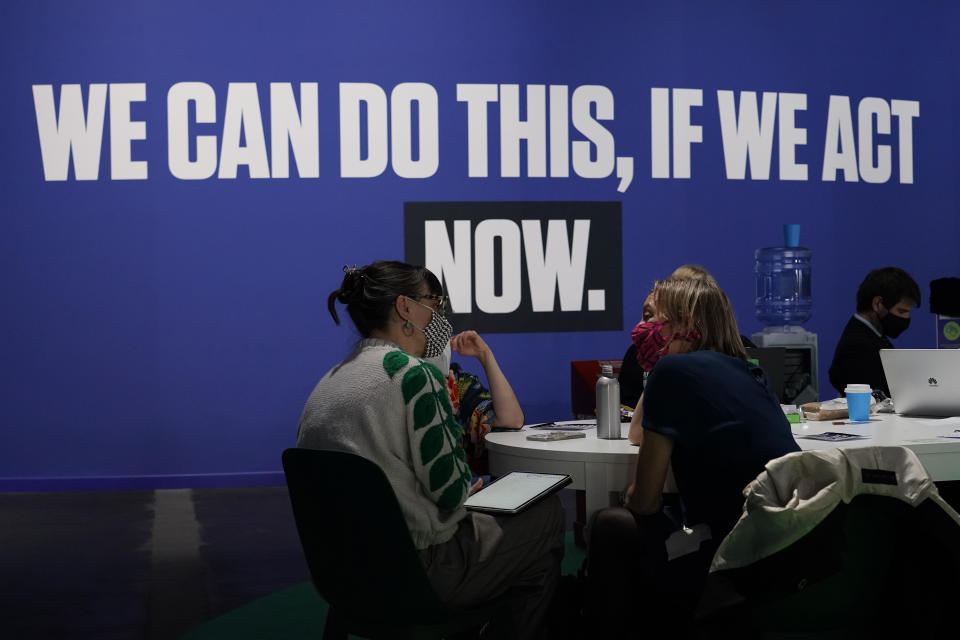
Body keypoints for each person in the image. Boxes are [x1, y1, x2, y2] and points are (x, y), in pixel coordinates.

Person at [297, 261, 564, 640]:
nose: (439, 315)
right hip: (417, 570)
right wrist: (466, 489)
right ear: (406, 308)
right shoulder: (414, 376)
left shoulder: (330, 381)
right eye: (434, 302)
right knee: (547, 514)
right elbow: (451, 492)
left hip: (342, 577)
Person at [586, 278, 800, 630]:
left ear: (686, 324)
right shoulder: (752, 372)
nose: (642, 329)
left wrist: (631, 495)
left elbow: (645, 503)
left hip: (730, 551)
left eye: (654, 318)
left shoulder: (671, 372)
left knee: (609, 524)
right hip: (783, 540)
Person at [428, 331, 524, 478]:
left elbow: (511, 420)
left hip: (465, 487)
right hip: (424, 491)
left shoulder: (457, 383)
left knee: (549, 501)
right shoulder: (401, 382)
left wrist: (485, 355)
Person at [828, 266, 921, 397]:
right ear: (877, 304)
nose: (906, 318)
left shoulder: (872, 337)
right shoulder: (856, 346)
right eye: (901, 311)